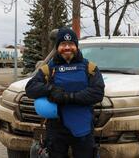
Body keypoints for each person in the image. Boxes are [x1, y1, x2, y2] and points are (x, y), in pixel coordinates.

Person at [25, 27, 105, 158]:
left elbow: (97, 93)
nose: (67, 47)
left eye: (71, 44)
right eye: (63, 44)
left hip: (83, 128)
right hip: (56, 130)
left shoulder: (89, 68)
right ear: (57, 47)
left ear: (76, 46)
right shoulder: (48, 69)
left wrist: (68, 97)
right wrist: (50, 89)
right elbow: (30, 88)